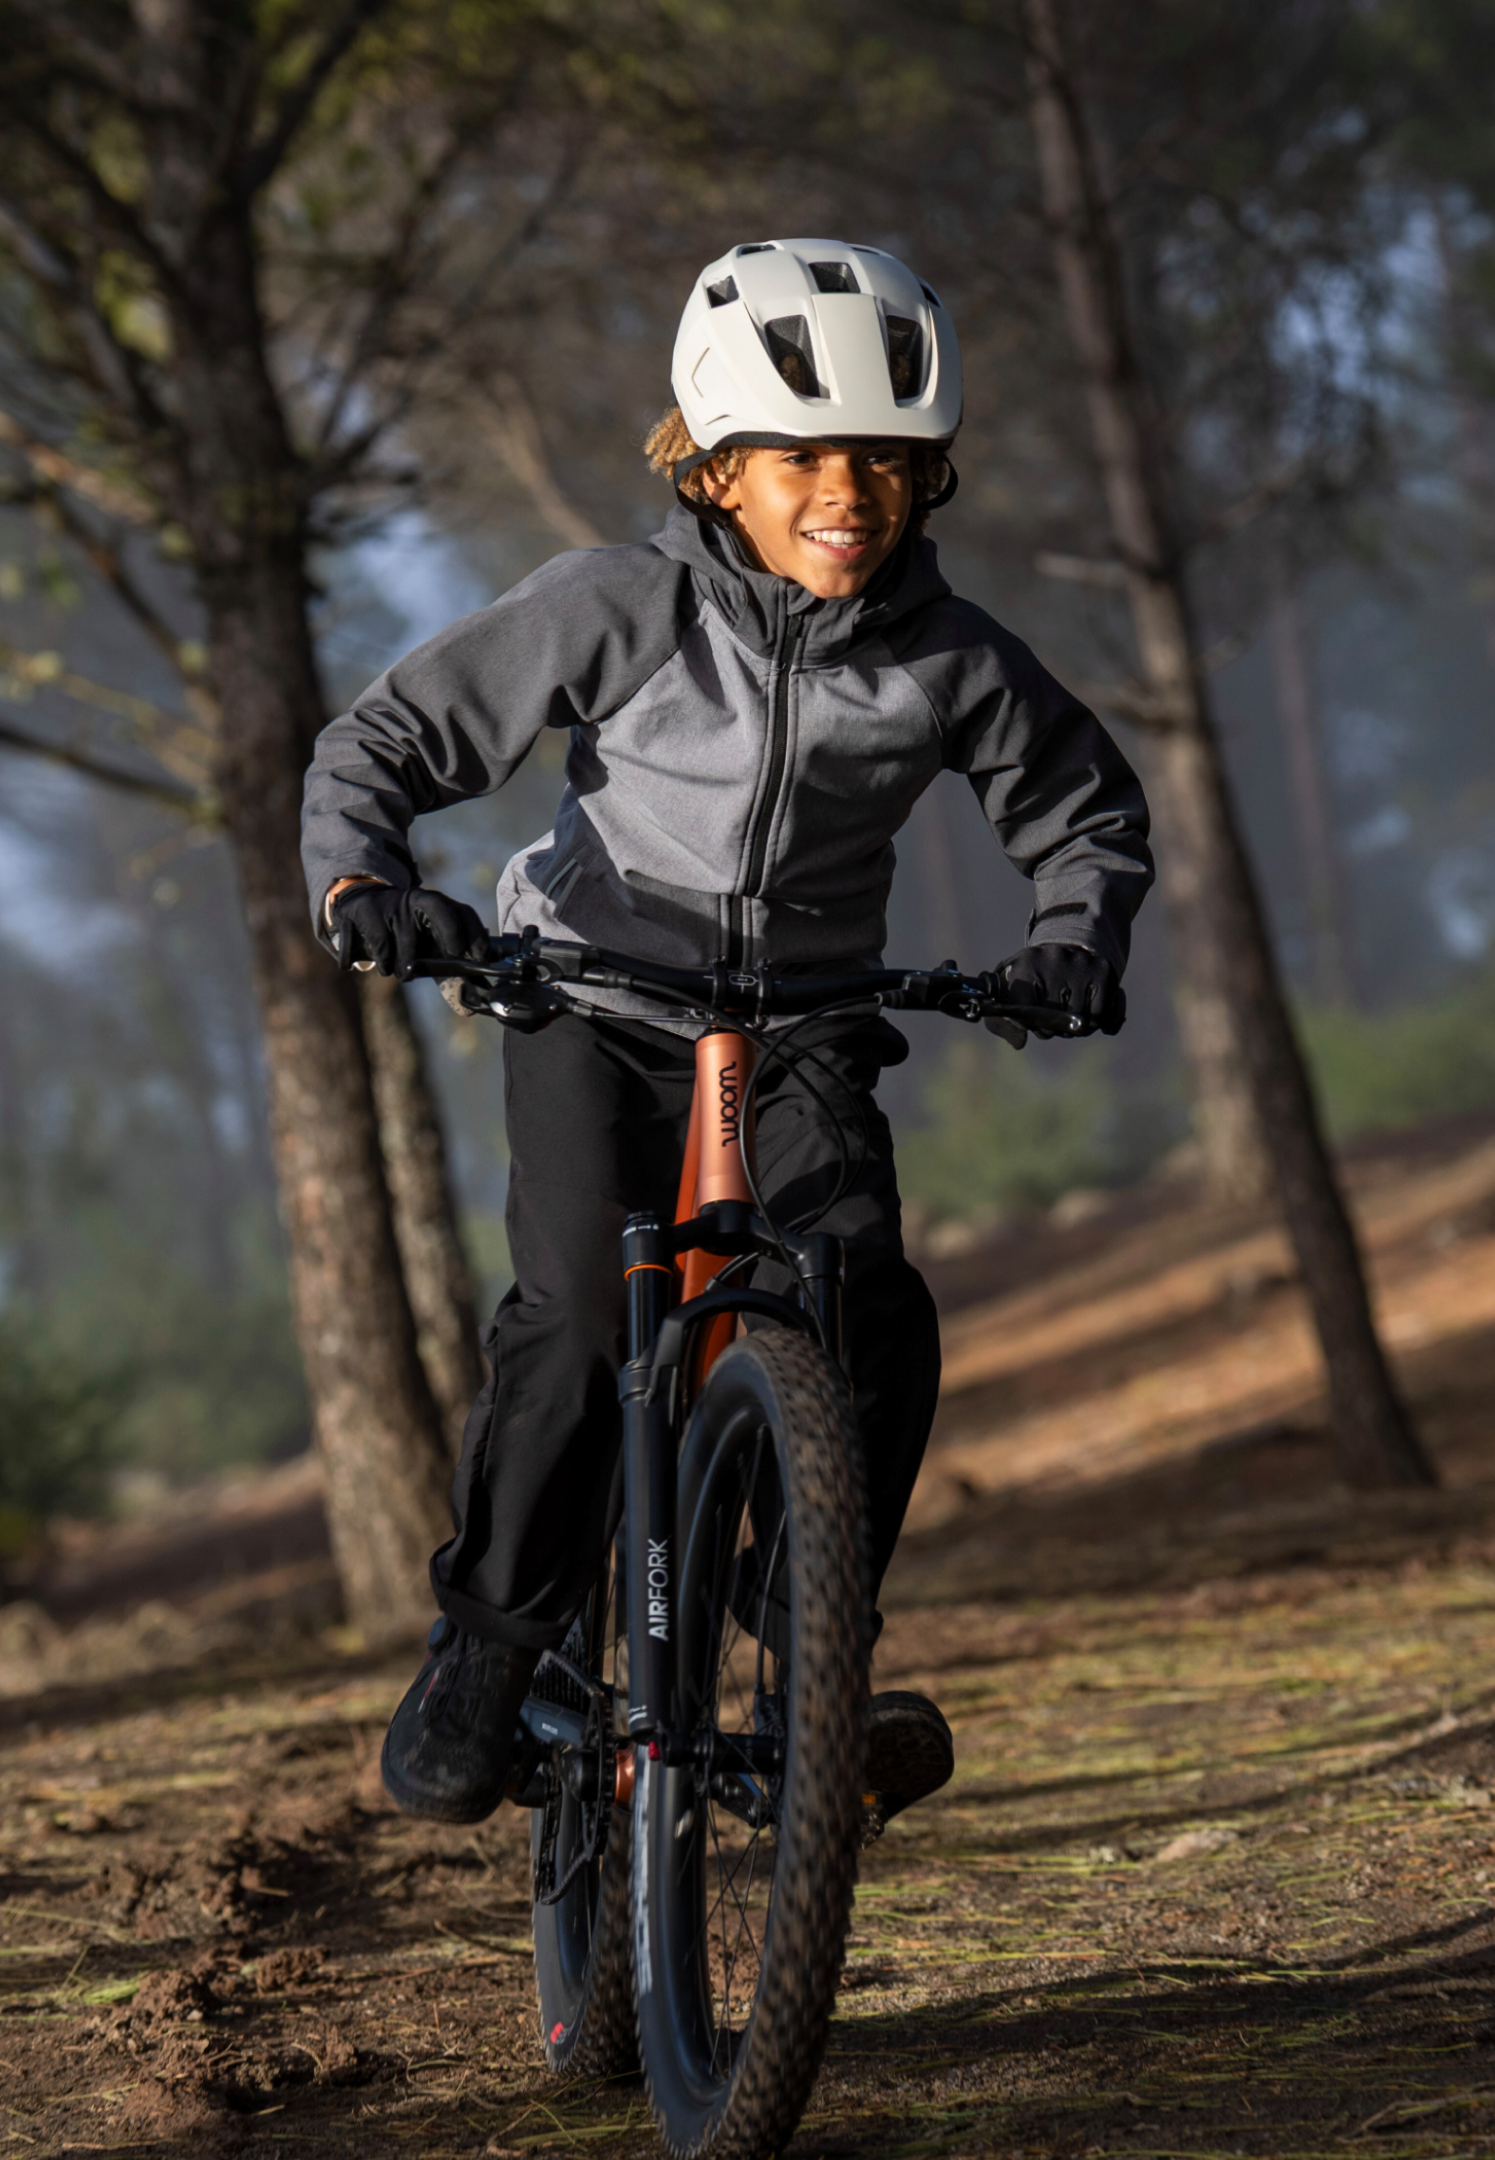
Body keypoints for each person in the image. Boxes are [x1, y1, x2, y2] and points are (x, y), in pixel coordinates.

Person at [301, 237, 1155, 1824]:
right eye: (805, 456)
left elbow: (1084, 811)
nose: (851, 490)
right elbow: (393, 737)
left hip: (804, 1028)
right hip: (591, 1003)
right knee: (566, 1319)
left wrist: (1069, 939)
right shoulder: (617, 607)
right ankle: (488, 1647)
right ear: (711, 471)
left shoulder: (949, 658)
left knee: (870, 1299)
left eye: (889, 459)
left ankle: (805, 1629)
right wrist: (366, 878)